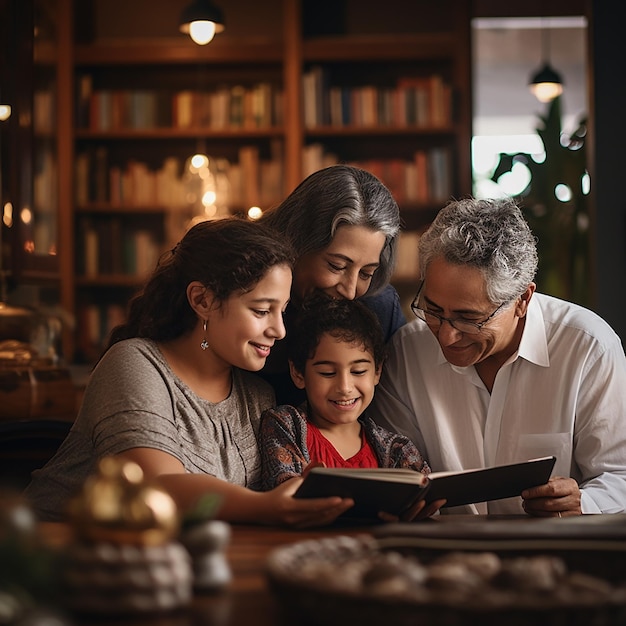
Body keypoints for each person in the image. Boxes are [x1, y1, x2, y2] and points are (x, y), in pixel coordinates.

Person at [24, 218, 354, 527]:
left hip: (171, 561)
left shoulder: (257, 395)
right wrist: (265, 506)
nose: (279, 330)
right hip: (51, 556)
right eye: (261, 310)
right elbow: (155, 490)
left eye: (281, 311)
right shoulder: (136, 364)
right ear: (202, 300)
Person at [368, 196, 626, 517]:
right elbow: (393, 468)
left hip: (554, 551)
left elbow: (619, 475)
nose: (446, 336)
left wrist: (584, 502)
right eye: (433, 310)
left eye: (468, 318)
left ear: (522, 300)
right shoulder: (408, 351)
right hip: (445, 554)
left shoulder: (587, 347)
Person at [259, 294, 441, 521]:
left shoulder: (397, 449)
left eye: (358, 372)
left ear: (377, 371)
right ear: (298, 373)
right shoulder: (285, 425)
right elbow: (285, 495)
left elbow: (427, 499)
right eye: (327, 373)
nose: (345, 387)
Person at [258, 164, 406, 405]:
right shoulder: (244, 295)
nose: (349, 292)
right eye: (337, 266)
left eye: (366, 273)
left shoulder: (378, 308)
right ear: (295, 242)